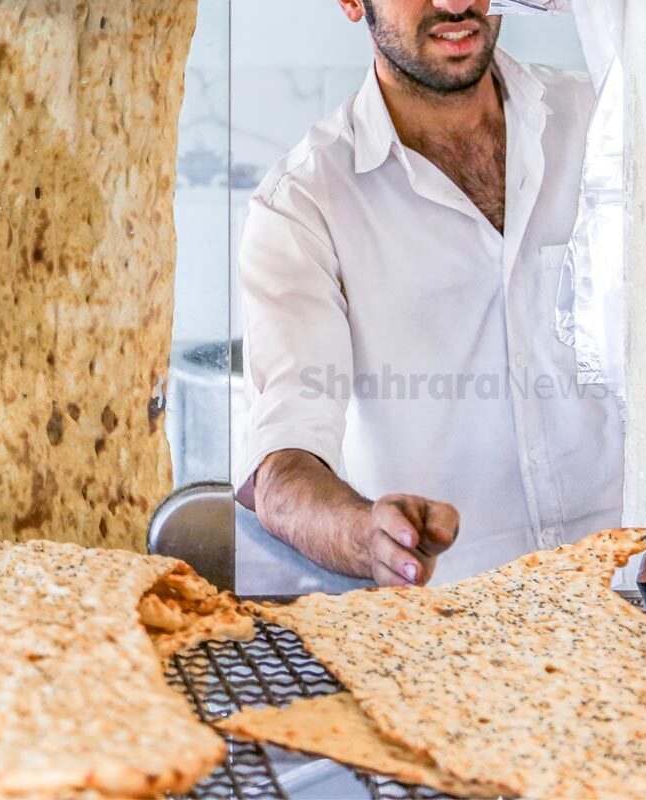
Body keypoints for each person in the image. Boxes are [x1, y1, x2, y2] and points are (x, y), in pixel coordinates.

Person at [234, 0, 622, 586]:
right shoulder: (303, 204)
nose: (455, 2)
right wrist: (365, 536)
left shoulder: (603, 125)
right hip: (449, 628)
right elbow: (282, 466)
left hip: (645, 599)